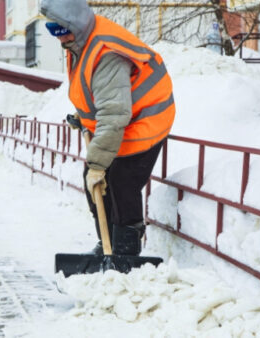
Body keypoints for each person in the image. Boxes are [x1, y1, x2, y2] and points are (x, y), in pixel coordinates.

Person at [40, 0, 175, 256]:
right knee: (93, 181)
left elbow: (114, 113)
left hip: (146, 117)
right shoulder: (79, 41)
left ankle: (125, 249)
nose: (59, 38)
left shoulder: (105, 53)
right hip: (122, 115)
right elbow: (98, 93)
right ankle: (108, 244)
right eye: (52, 31)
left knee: (120, 179)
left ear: (74, 24)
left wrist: (98, 165)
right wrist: (85, 117)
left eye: (61, 31)